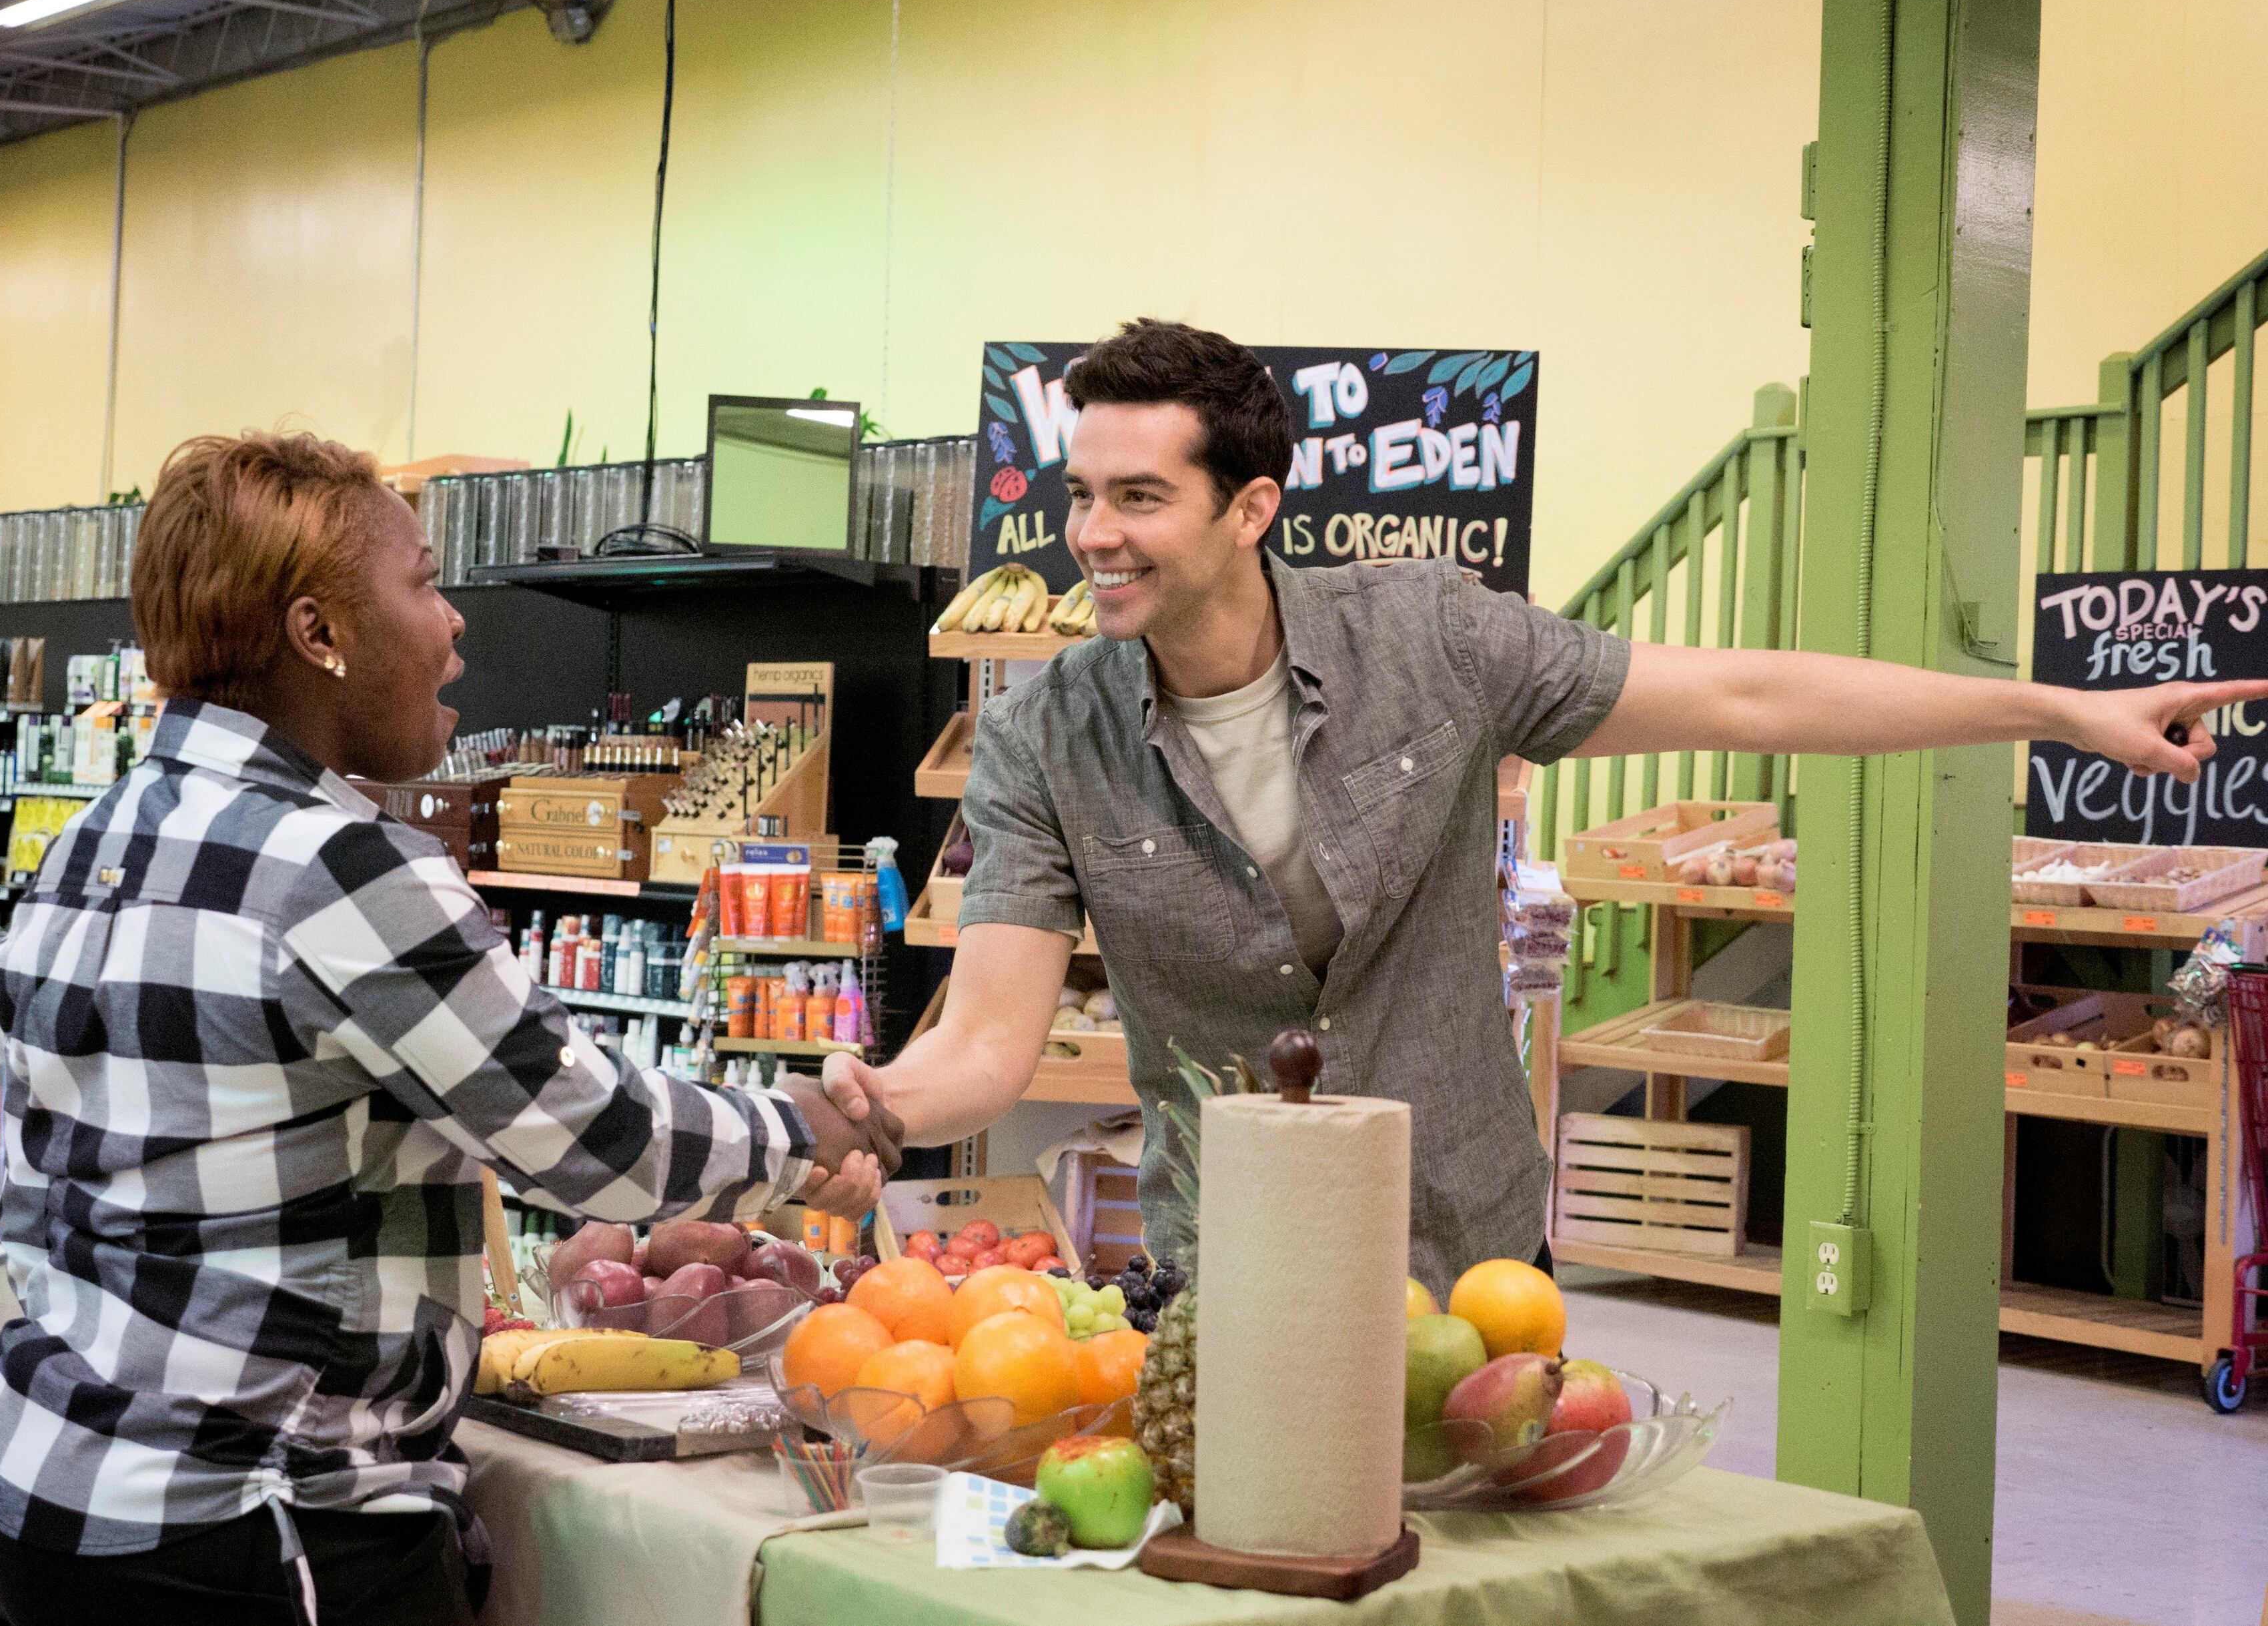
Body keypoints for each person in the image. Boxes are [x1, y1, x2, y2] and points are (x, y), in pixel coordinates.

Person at [820, 318, 2268, 1294]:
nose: (1092, 534)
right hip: (1232, 1261)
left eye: (1138, 498)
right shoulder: (1049, 733)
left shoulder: (1431, 641)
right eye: (1081, 495)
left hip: (1468, 1241)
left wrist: (2051, 709)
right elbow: (991, 1043)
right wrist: (874, 1107)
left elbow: (1748, 696)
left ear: (1248, 509)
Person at [0, 432, 901, 1626]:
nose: (454, 621)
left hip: (27, 1479)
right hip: (248, 1521)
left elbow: (91, 1189)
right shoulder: (342, 866)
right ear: (319, 633)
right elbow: (593, 1138)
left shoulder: (96, 836)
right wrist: (795, 1125)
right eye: (425, 582)